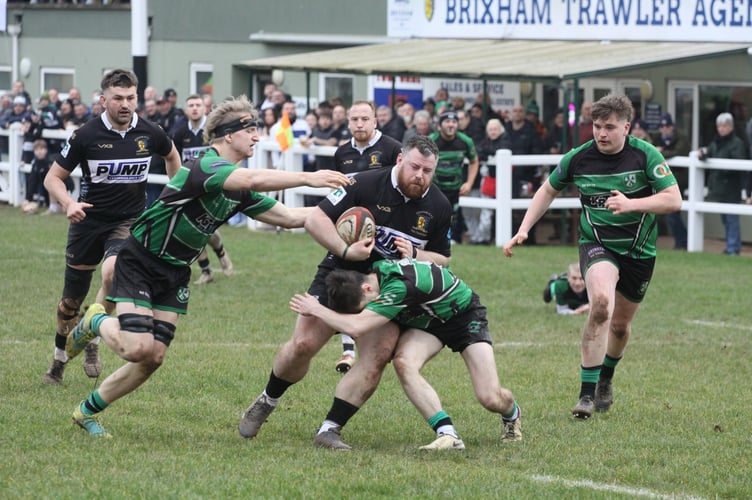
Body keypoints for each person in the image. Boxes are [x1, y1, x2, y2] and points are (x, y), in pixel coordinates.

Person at [62, 95, 349, 438]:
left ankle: (85, 412)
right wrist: (309, 177)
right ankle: (94, 319)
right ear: (228, 136)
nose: (257, 137)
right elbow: (253, 181)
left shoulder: (237, 187)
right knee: (137, 347)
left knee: (152, 358)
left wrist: (343, 211)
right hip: (140, 260)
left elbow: (289, 217)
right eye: (250, 130)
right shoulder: (206, 165)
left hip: (175, 272)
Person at [238, 135, 453, 450]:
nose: (420, 176)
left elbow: (444, 259)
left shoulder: (439, 205)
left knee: (379, 354)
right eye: (415, 167)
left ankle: (330, 428)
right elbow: (315, 218)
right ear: (400, 160)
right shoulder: (363, 184)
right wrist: (345, 249)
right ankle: (268, 399)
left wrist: (418, 255)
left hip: (386, 289)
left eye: (427, 171)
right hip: (340, 275)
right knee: (303, 344)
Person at [503, 93, 682, 419]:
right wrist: (524, 228)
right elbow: (547, 190)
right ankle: (585, 395)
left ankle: (606, 378)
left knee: (620, 327)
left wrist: (632, 204)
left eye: (609, 127)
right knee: (600, 303)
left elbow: (673, 199)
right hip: (596, 243)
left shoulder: (645, 155)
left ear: (627, 127)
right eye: (597, 126)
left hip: (639, 252)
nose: (601, 133)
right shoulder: (579, 157)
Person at [289, 258, 522, 450]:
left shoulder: (399, 287)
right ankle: (448, 435)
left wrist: (317, 310)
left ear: (366, 288)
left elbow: (357, 327)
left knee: (490, 398)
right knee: (403, 362)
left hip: (464, 317)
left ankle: (512, 414)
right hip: (428, 322)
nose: (369, 309)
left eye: (365, 305)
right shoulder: (377, 274)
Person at [41, 69, 182, 385]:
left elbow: (173, 157)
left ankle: (94, 336)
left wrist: (175, 194)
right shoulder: (85, 136)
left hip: (128, 221)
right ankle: (58, 362)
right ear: (103, 99)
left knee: (113, 272)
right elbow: (52, 178)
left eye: (131, 98)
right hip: (87, 222)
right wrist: (69, 204)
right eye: (118, 98)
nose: (125, 104)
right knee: (69, 304)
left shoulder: (150, 132)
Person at [329, 100, 403, 371]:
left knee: (376, 285)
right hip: (350, 232)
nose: (359, 124)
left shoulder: (392, 148)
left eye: (365, 119)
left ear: (375, 121)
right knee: (347, 284)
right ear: (348, 122)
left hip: (383, 233)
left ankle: (380, 341)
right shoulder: (342, 153)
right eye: (354, 119)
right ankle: (348, 350)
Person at [172, 94, 234, 284]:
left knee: (207, 230)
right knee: (192, 229)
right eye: (191, 105)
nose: (195, 108)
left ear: (205, 108)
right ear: (185, 110)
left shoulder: (213, 132)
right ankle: (206, 271)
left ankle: (221, 252)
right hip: (191, 187)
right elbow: (176, 159)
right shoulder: (180, 133)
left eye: (198, 104)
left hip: (213, 186)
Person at [697, 112, 747, 256]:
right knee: (726, 219)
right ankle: (731, 246)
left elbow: (738, 164)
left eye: (724, 126)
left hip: (731, 187)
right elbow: (710, 152)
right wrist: (703, 155)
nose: (721, 129)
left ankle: (733, 248)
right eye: (719, 126)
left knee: (732, 219)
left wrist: (721, 169)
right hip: (719, 188)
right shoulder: (716, 142)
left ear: (731, 127)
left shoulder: (736, 143)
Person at [428, 110, 479, 244]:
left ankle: (450, 240)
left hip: (455, 186)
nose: (451, 125)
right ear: (439, 125)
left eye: (454, 122)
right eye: (447, 122)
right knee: (434, 214)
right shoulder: (431, 141)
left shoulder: (466, 141)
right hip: (434, 187)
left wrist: (469, 183)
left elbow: (474, 161)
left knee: (453, 215)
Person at [654, 113, 691, 249]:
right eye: (662, 126)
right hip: (662, 180)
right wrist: (660, 151)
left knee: (673, 212)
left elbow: (679, 152)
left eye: (667, 125)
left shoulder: (681, 137)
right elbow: (651, 150)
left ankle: (682, 241)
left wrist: (661, 152)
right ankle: (681, 241)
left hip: (678, 180)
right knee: (670, 213)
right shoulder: (658, 138)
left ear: (672, 126)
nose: (665, 128)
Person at [474, 118, 512, 244]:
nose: (493, 132)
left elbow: (499, 150)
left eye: (495, 129)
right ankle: (483, 238)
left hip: (505, 182)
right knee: (486, 211)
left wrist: (486, 153)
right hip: (490, 180)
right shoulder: (486, 141)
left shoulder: (506, 140)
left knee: (502, 213)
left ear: (500, 129)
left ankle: (497, 237)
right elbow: (478, 151)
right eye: (490, 129)